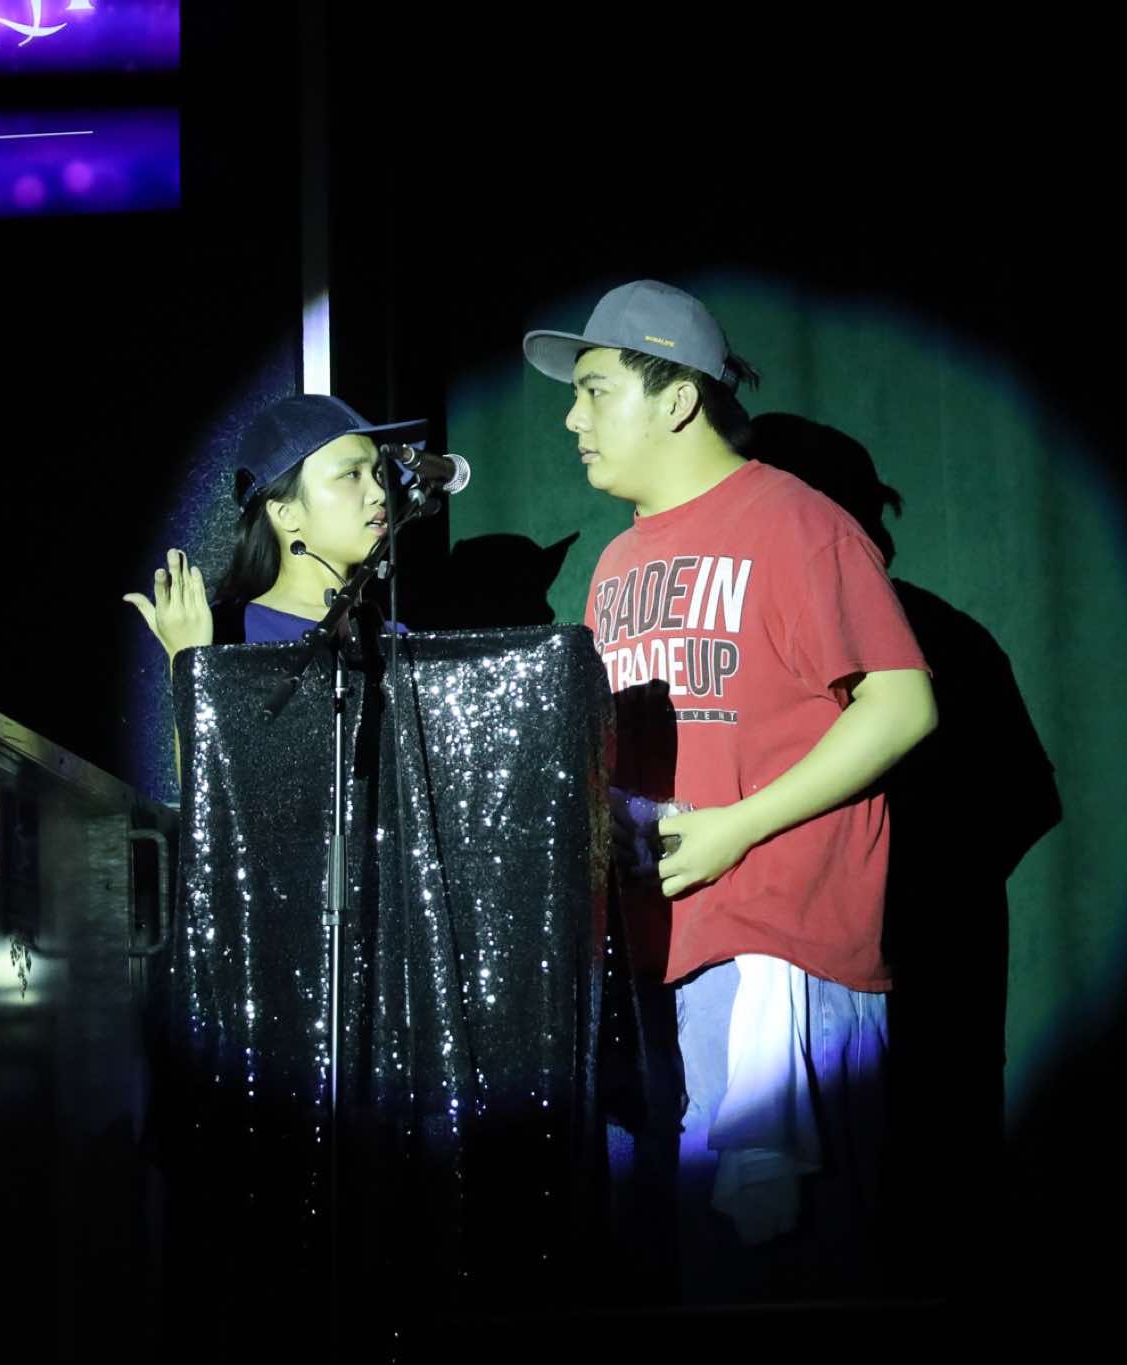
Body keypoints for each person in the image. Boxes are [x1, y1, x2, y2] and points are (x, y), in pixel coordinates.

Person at [523, 280, 937, 1299]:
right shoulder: (616, 560)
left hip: (777, 960)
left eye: (594, 390)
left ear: (676, 398)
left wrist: (735, 829)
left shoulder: (795, 524)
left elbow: (902, 704)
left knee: (781, 1268)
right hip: (658, 966)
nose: (572, 418)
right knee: (696, 1272)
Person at [123, 393, 424, 663]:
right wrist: (191, 660)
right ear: (285, 513)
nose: (380, 493)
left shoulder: (396, 638)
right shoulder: (229, 632)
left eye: (378, 474)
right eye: (351, 474)